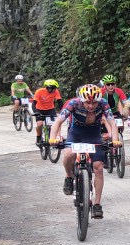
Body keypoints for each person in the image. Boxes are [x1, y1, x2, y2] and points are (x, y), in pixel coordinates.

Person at [51, 84, 121, 219]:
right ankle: (69, 176)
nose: (91, 106)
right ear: (82, 100)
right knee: (68, 154)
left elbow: (112, 122)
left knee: (98, 167)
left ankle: (97, 205)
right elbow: (58, 121)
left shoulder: (103, 104)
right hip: (76, 135)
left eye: (94, 102)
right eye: (88, 102)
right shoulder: (74, 103)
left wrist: (115, 139)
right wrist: (53, 138)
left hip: (94, 136)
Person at [32, 79, 64, 144]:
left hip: (50, 109)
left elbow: (59, 102)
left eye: (55, 88)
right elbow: (34, 103)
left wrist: (63, 110)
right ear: (49, 88)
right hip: (39, 110)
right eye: (54, 88)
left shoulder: (55, 91)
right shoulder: (39, 91)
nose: (55, 90)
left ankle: (57, 136)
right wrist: (35, 112)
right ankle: (38, 137)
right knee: (40, 124)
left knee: (57, 122)